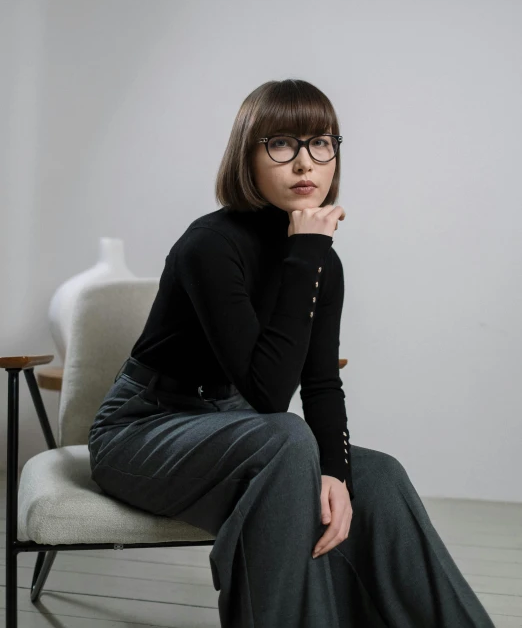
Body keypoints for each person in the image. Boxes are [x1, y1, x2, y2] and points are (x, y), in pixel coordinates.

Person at [88, 79, 495, 627]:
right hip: (143, 430)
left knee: (378, 477)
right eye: (281, 144)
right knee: (286, 438)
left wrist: (335, 472)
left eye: (320, 143)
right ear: (247, 156)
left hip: (237, 431)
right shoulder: (211, 244)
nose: (305, 163)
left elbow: (321, 382)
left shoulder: (323, 263)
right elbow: (270, 393)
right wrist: (305, 252)